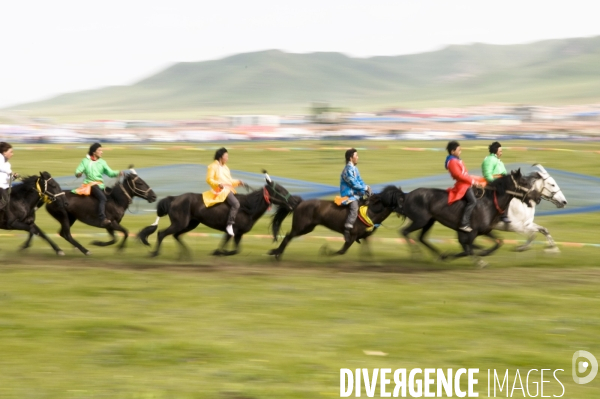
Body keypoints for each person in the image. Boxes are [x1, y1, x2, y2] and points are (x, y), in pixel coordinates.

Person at [75, 143, 121, 227]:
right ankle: (102, 218)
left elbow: (110, 173)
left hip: (100, 186)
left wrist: (118, 173)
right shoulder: (85, 161)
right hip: (90, 185)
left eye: (101, 150)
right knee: (103, 199)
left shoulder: (102, 162)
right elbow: (78, 171)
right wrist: (78, 174)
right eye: (99, 150)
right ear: (94, 152)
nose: (102, 152)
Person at [445, 141, 484, 233]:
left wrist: (476, 179)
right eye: (459, 150)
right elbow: (459, 176)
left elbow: (465, 174)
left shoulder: (457, 160)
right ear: (452, 152)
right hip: (462, 185)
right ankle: (464, 223)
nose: (460, 152)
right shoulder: (452, 162)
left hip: (466, 183)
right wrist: (473, 181)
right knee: (472, 201)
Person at [204, 147, 244, 236]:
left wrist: (238, 182)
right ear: (220, 157)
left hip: (228, 189)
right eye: (226, 156)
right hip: (220, 190)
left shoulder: (225, 168)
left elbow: (229, 181)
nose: (227, 158)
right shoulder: (212, 166)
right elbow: (209, 179)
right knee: (236, 204)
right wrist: (218, 184)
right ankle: (229, 225)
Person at [340, 148, 371, 241]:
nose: (358, 157)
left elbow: (359, 181)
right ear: (351, 158)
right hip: (348, 195)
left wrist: (366, 187)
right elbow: (353, 183)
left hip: (356, 194)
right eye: (356, 156)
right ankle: (347, 229)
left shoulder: (355, 169)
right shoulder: (347, 170)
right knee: (354, 208)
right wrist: (365, 188)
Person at [482, 141, 510, 224]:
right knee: (506, 193)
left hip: (501, 182)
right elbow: (487, 174)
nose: (501, 153)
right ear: (495, 151)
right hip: (495, 183)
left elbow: (504, 173)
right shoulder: (490, 160)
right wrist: (495, 184)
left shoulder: (497, 160)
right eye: (500, 151)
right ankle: (502, 215)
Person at [0, 142, 19, 211]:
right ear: (4, 152)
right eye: (11, 152)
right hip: (1, 188)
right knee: (5, 200)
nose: (12, 154)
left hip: (6, 187)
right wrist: (10, 172)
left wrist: (13, 177)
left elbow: (8, 180)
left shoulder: (7, 164)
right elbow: (1, 167)